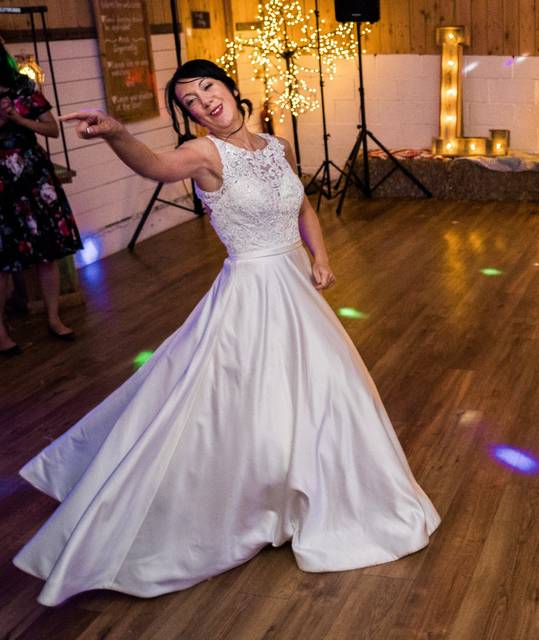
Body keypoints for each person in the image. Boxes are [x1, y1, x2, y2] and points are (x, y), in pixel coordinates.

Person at [13, 59, 440, 606]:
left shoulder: (276, 144)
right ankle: (248, 499)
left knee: (324, 394)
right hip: (251, 292)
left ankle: (307, 493)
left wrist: (321, 256)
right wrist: (119, 133)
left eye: (208, 87)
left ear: (231, 87)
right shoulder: (203, 154)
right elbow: (156, 166)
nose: (203, 101)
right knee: (236, 402)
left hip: (295, 288)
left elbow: (303, 205)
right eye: (189, 100)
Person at [0, 41, 83, 355]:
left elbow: (52, 130)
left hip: (34, 176)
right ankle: (2, 334)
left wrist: (20, 121)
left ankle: (53, 317)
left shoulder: (23, 87)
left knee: (48, 252)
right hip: (2, 181)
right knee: (4, 263)